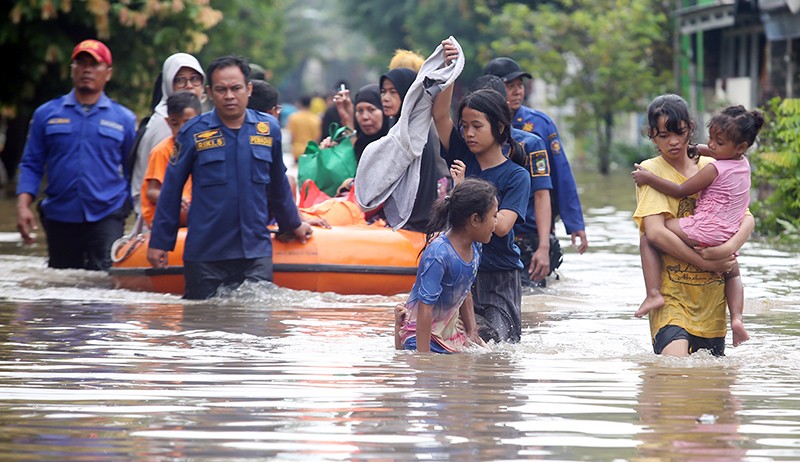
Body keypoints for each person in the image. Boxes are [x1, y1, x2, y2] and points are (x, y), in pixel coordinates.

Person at [147, 55, 312, 300]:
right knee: (202, 330)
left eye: (236, 88)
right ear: (210, 92)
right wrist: (160, 241)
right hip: (205, 254)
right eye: (221, 89)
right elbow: (171, 189)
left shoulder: (268, 130)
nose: (229, 96)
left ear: (249, 89)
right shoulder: (193, 132)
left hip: (254, 251)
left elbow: (278, 186)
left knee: (257, 327)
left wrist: (294, 225)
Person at [631, 94, 755, 356]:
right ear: (652, 135)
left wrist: (727, 249)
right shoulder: (651, 172)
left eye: (679, 132)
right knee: (675, 375)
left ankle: (736, 319)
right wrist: (709, 262)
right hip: (672, 301)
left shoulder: (716, 164)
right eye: (663, 135)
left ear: (690, 126)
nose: (673, 141)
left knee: (707, 388)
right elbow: (655, 233)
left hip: (712, 305)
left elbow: (746, 217)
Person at [432, 40, 531, 343]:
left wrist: (462, 192)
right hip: (460, 271)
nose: (469, 133)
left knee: (492, 345)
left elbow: (500, 227)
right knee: (451, 340)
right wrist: (451, 68)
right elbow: (439, 115)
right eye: (465, 126)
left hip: (499, 278)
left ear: (500, 128)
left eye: (477, 126)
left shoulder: (517, 176)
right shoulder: (463, 156)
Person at [16, 39, 136, 271]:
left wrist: (129, 206)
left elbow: (134, 170)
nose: (87, 69)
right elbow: (32, 164)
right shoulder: (46, 114)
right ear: (72, 70)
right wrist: (23, 206)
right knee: (62, 284)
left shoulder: (124, 119)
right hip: (60, 214)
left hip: (107, 213)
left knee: (106, 282)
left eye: (95, 64)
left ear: (108, 73)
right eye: (81, 63)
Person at [484, 57, 588, 261]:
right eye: (510, 86)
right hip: (491, 226)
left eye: (520, 86)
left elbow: (562, 174)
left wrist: (574, 223)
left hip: (531, 226)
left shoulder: (539, 125)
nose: (517, 91)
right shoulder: (477, 126)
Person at [465, 75, 554, 287]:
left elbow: (543, 194)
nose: (470, 132)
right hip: (479, 247)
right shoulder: (468, 148)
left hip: (521, 239)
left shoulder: (530, 144)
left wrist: (544, 247)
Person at [395, 178, 496, 353]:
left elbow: (464, 290)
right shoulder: (439, 254)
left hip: (449, 330)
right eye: (494, 216)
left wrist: (472, 332)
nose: (496, 223)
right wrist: (423, 359)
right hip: (420, 335)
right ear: (475, 219)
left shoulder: (475, 246)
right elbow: (425, 309)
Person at [130, 53, 206, 215]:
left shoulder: (203, 122)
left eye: (195, 79)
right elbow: (153, 189)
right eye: (180, 80)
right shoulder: (165, 125)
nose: (189, 85)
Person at [140, 91, 202, 228]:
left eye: (187, 123)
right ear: (168, 122)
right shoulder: (162, 151)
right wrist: (175, 197)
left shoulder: (205, 147)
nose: (181, 129)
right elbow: (152, 192)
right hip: (166, 212)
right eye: (175, 124)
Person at [286, 95, 322, 161]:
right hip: (311, 151)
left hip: (297, 151)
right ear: (310, 104)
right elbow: (317, 138)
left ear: (300, 104)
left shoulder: (293, 118)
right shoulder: (316, 119)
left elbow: (291, 135)